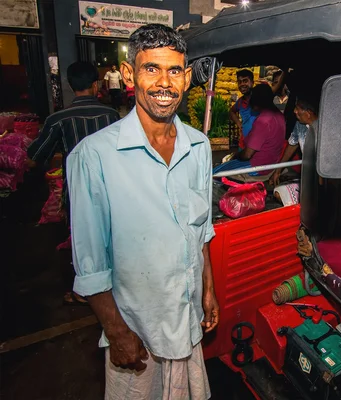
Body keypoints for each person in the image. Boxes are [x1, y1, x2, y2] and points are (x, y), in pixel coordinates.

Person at [67, 24, 217, 399]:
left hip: (186, 318)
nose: (165, 83)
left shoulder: (198, 146)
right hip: (138, 329)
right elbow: (90, 264)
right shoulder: (95, 155)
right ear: (130, 73)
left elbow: (200, 230)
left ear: (186, 77)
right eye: (152, 69)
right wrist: (117, 333)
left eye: (175, 71)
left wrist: (208, 291)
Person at [27, 61, 120, 306]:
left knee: (81, 239)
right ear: (95, 84)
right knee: (111, 236)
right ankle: (114, 285)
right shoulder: (111, 116)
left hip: (77, 192)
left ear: (70, 85)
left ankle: (83, 291)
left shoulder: (57, 119)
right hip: (113, 188)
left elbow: (35, 158)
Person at [215, 84, 285, 177]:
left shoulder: (263, 121)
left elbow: (247, 155)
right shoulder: (279, 116)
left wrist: (235, 156)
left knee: (215, 173)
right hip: (271, 164)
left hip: (257, 166)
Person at [230, 68, 287, 148]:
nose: (242, 84)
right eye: (239, 82)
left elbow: (277, 86)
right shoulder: (239, 102)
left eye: (245, 81)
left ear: (252, 82)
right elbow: (232, 112)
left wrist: (285, 69)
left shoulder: (261, 96)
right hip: (244, 143)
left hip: (261, 145)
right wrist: (239, 125)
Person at [270, 95, 319, 185]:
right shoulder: (300, 125)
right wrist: (278, 170)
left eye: (297, 108)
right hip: (307, 175)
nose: (294, 111)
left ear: (308, 113)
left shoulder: (323, 128)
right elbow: (292, 145)